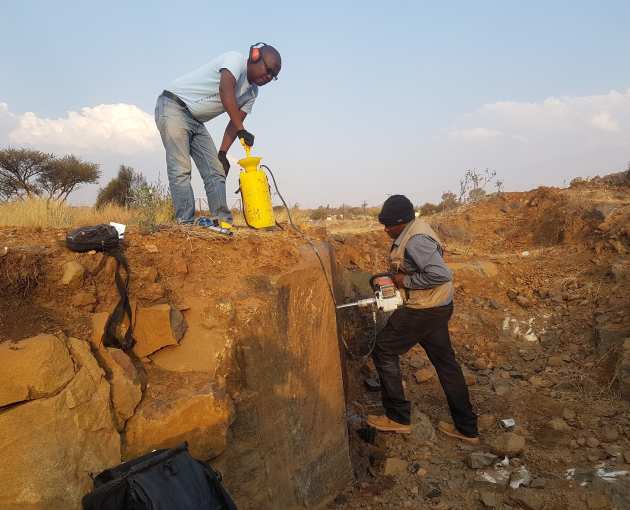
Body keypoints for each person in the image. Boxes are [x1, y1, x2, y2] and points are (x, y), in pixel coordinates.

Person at [366, 195, 479, 444]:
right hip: (438, 306)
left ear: (402, 221)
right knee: (446, 363)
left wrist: (405, 282)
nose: (386, 230)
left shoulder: (415, 240)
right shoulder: (415, 231)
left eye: (389, 225)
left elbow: (441, 274)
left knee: (383, 349)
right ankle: (467, 429)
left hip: (424, 309)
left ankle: (397, 417)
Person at [154, 43, 281, 231]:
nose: (268, 77)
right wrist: (241, 130)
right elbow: (225, 92)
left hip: (196, 119)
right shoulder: (235, 61)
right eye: (268, 69)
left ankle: (222, 222)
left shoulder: (252, 93)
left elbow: (234, 123)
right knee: (181, 168)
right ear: (255, 56)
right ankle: (185, 224)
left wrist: (222, 152)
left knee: (216, 170)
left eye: (273, 75)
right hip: (173, 105)